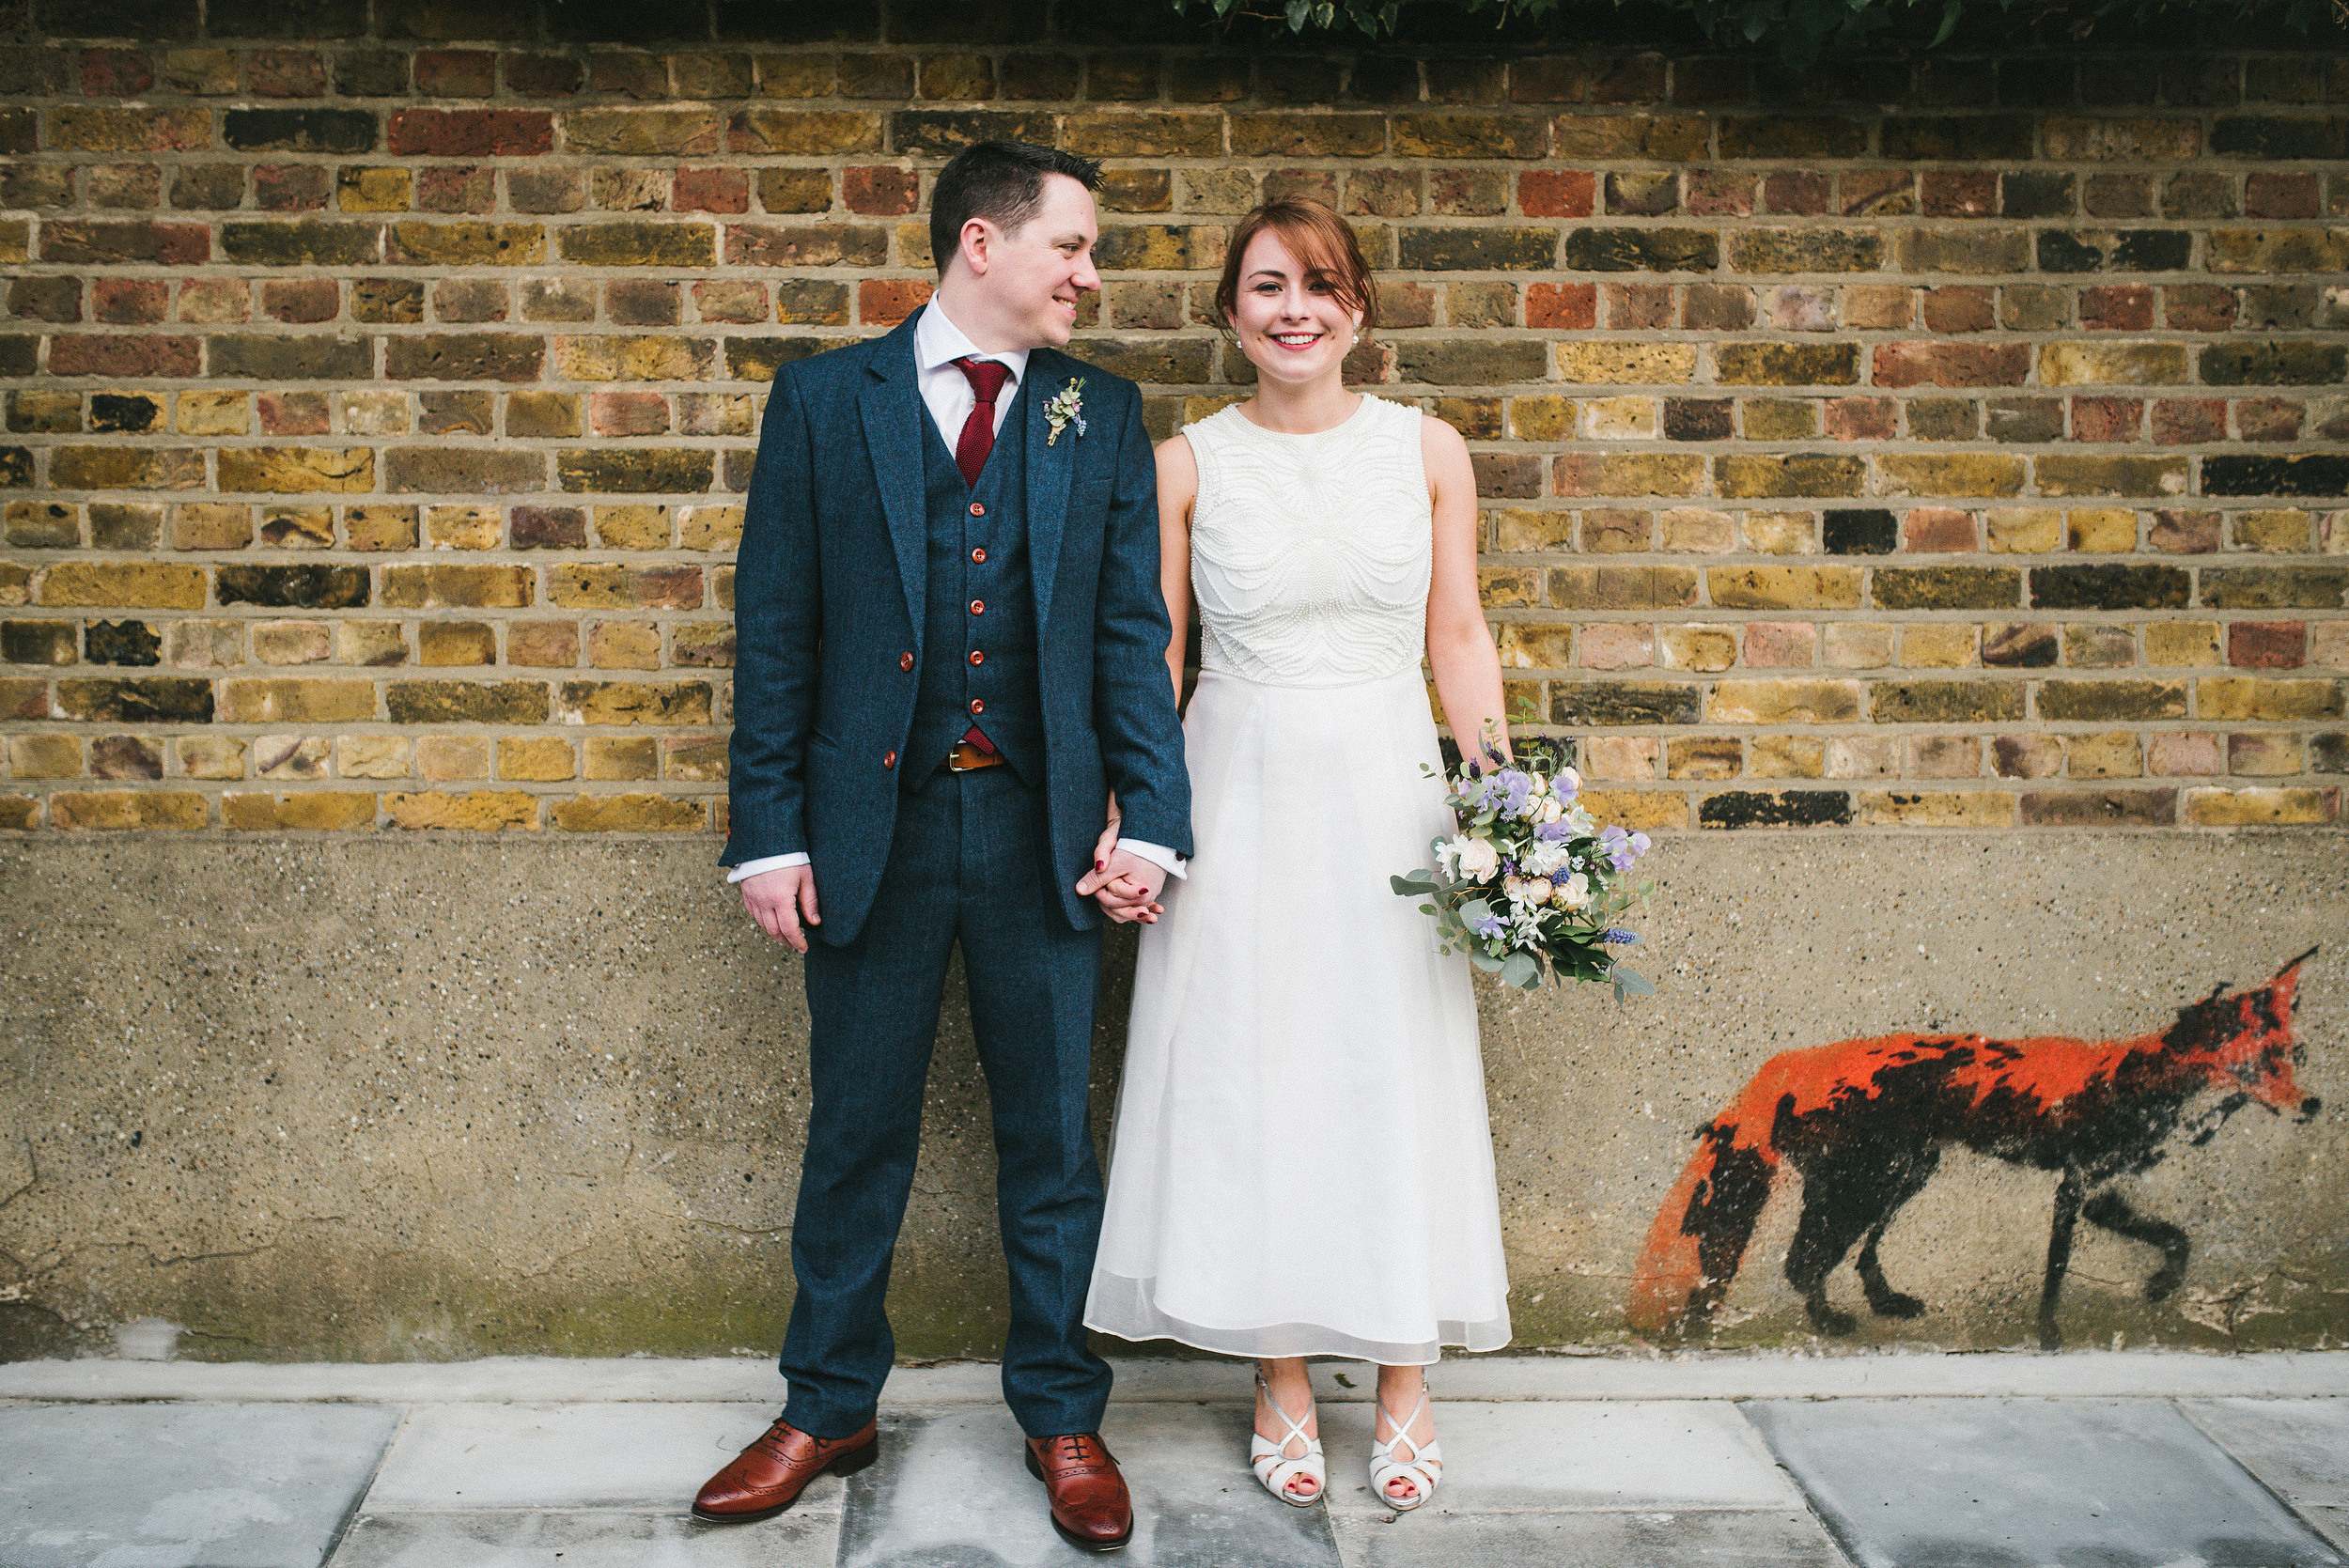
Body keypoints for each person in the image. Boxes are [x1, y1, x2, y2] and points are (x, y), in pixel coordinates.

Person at [693, 139, 1191, 1554]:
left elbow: (1126, 638)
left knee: (1050, 1143)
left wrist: (1152, 817)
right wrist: (767, 835)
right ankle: (828, 1400)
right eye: (1073, 248)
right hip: (872, 833)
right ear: (983, 243)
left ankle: (1060, 1409)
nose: (1091, 276)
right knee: (857, 1135)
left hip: (1041, 832)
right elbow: (775, 628)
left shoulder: (1097, 412)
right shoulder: (821, 399)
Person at [1083, 198, 1514, 1514]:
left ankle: (1399, 1370)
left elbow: (1457, 632)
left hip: (1388, 790)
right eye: (1267, 286)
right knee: (1253, 1070)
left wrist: (1503, 804)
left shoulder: (1430, 452)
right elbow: (1155, 651)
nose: (1294, 309)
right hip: (1240, 784)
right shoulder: (1186, 463)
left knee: (1389, 1063)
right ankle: (1277, 1370)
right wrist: (1131, 806)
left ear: (1359, 309)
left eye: (1319, 286)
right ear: (1230, 314)